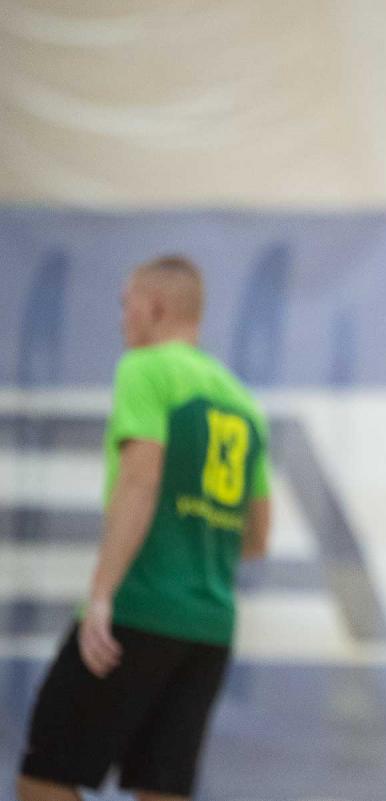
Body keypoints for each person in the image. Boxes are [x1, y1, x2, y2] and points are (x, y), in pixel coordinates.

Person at [17, 256, 272, 801]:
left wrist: (102, 594)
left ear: (154, 308)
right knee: (161, 789)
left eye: (125, 304)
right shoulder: (243, 403)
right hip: (209, 628)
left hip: (138, 608)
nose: (121, 318)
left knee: (43, 778)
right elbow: (256, 539)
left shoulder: (145, 369)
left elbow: (141, 478)